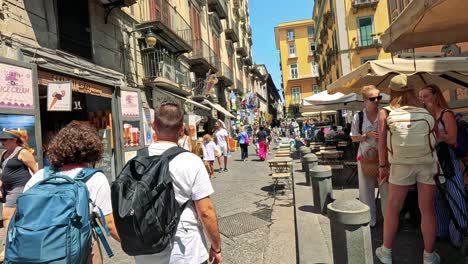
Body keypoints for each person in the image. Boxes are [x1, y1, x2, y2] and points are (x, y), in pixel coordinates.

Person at [23, 121, 120, 262]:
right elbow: (110, 224)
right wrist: (131, 246)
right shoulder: (95, 178)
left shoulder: (40, 176)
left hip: (41, 247)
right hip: (81, 248)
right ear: (92, 150)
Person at [138, 102, 222, 264]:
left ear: (153, 125)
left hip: (147, 251)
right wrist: (216, 247)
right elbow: (205, 211)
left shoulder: (138, 159)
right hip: (186, 250)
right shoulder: (191, 161)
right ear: (182, 129)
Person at [376, 74, 440, 264]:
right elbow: (435, 136)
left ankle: (386, 252)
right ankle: (429, 256)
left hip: (400, 164)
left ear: (392, 91)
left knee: (393, 208)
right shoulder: (425, 110)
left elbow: (381, 143)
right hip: (426, 162)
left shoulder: (386, 112)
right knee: (427, 210)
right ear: (411, 90)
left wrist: (382, 166)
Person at [419, 84, 467, 248]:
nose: (422, 100)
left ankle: (460, 236)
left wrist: (436, 133)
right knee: (437, 199)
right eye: (421, 97)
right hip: (432, 162)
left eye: (425, 96)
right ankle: (442, 232)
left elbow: (453, 139)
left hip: (447, 160)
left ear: (435, 96)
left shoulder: (446, 114)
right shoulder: (425, 115)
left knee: (456, 197)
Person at [350, 85, 388, 228]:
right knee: (366, 190)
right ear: (364, 101)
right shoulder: (358, 117)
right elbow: (354, 138)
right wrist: (367, 135)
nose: (377, 100)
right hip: (365, 158)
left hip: (383, 158)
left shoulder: (384, 114)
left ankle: (388, 220)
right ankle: (369, 220)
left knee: (386, 190)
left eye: (379, 97)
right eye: (372, 98)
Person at [0, 130, 38, 261]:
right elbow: (3, 173)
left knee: (6, 216)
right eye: (1, 140)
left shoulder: (22, 152)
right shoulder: (4, 154)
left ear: (14, 140)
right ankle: (21, 246)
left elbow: (36, 171)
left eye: (4, 139)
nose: (2, 142)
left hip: (20, 188)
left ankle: (6, 249)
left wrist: (36, 188)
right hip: (8, 190)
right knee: (18, 219)